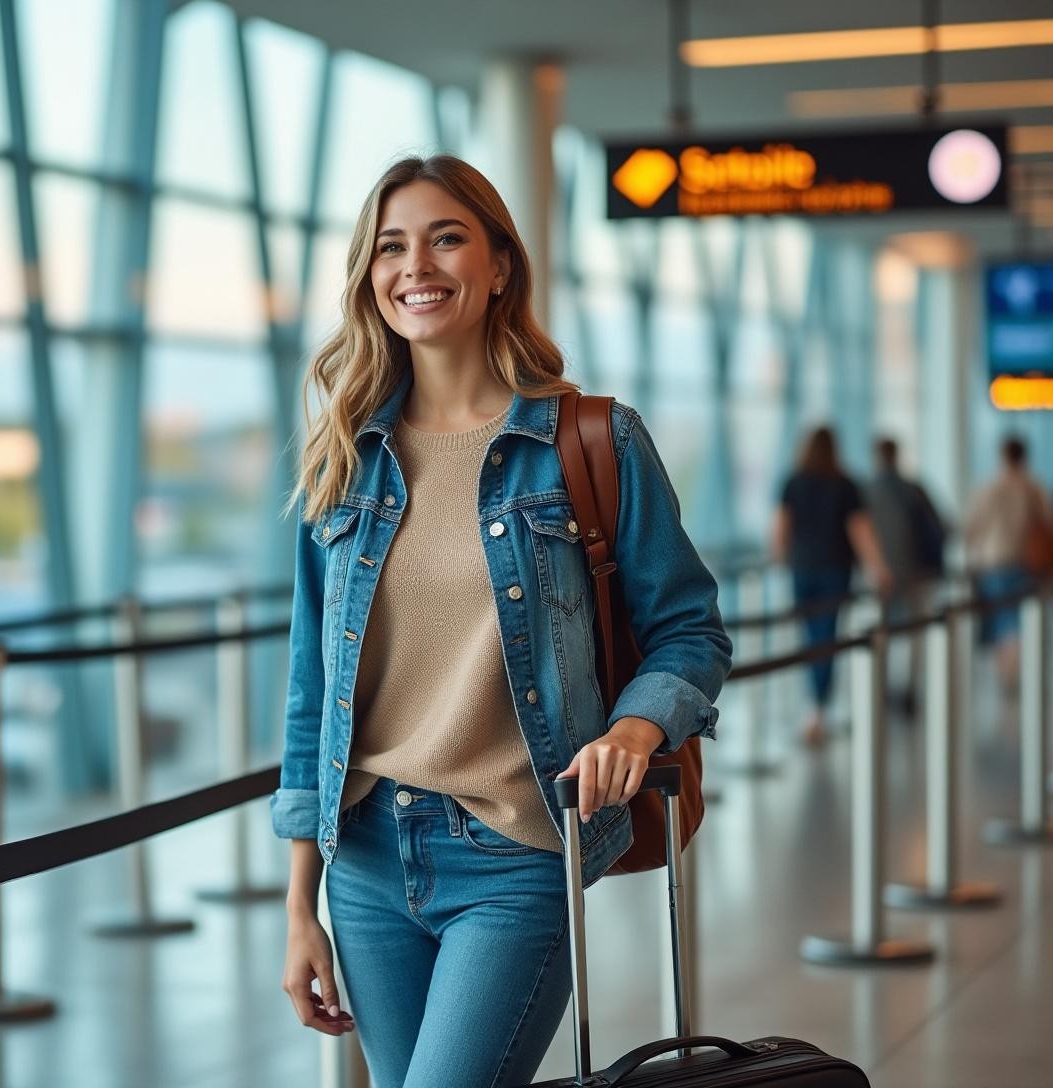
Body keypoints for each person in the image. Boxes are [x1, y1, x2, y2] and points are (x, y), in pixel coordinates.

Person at [270, 155, 731, 1088]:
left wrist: (634, 729)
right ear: (369, 275)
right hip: (365, 859)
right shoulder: (347, 461)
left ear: (499, 266)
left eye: (446, 238)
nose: (416, 265)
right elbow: (312, 690)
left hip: (518, 852)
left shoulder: (589, 440)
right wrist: (298, 907)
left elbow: (691, 629)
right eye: (391, 247)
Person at [771, 427, 891, 746]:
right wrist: (878, 569)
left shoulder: (793, 482)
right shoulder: (845, 485)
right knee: (826, 636)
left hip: (802, 568)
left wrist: (779, 558)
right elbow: (860, 530)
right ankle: (817, 709)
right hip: (835, 570)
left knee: (812, 636)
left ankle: (814, 708)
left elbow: (781, 527)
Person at [965, 435, 1053, 691]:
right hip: (1027, 563)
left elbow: (972, 527)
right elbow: (1047, 524)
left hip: (994, 563)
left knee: (1000, 621)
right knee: (1019, 621)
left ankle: (1006, 674)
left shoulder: (990, 488)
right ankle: (1016, 671)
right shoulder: (1034, 487)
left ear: (1002, 456)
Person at [865, 436, 945, 714]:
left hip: (878, 575)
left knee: (879, 632)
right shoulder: (914, 489)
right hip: (915, 573)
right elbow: (939, 526)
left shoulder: (866, 491)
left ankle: (880, 688)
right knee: (914, 632)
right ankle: (910, 688)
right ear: (896, 456)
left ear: (877, 457)